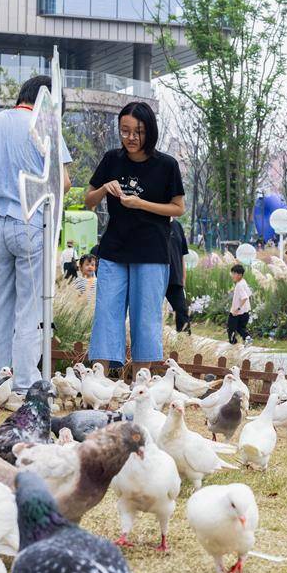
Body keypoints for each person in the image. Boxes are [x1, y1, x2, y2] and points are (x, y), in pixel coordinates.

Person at [0, 76, 73, 394]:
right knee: (30, 309)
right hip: (30, 223)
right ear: (48, 102)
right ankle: (25, 383)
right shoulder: (46, 125)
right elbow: (64, 181)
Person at [84, 101, 185, 371]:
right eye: (125, 130)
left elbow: (178, 208)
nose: (130, 137)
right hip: (114, 249)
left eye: (138, 131)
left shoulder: (166, 165)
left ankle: (142, 383)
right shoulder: (111, 160)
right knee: (106, 314)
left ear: (149, 131)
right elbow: (88, 200)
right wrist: (104, 188)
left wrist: (141, 204)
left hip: (151, 252)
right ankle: (99, 380)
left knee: (145, 319)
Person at [166, 218, 191, 333]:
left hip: (175, 277)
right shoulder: (153, 221)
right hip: (155, 277)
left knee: (182, 311)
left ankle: (184, 340)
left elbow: (182, 254)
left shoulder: (177, 226)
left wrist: (183, 277)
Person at [227, 264, 251, 344]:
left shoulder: (239, 285)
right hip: (245, 311)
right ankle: (247, 338)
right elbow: (249, 293)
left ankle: (233, 345)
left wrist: (238, 309)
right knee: (240, 328)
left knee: (231, 329)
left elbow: (245, 297)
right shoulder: (243, 282)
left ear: (240, 275)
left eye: (234, 274)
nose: (232, 275)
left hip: (236, 312)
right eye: (232, 273)